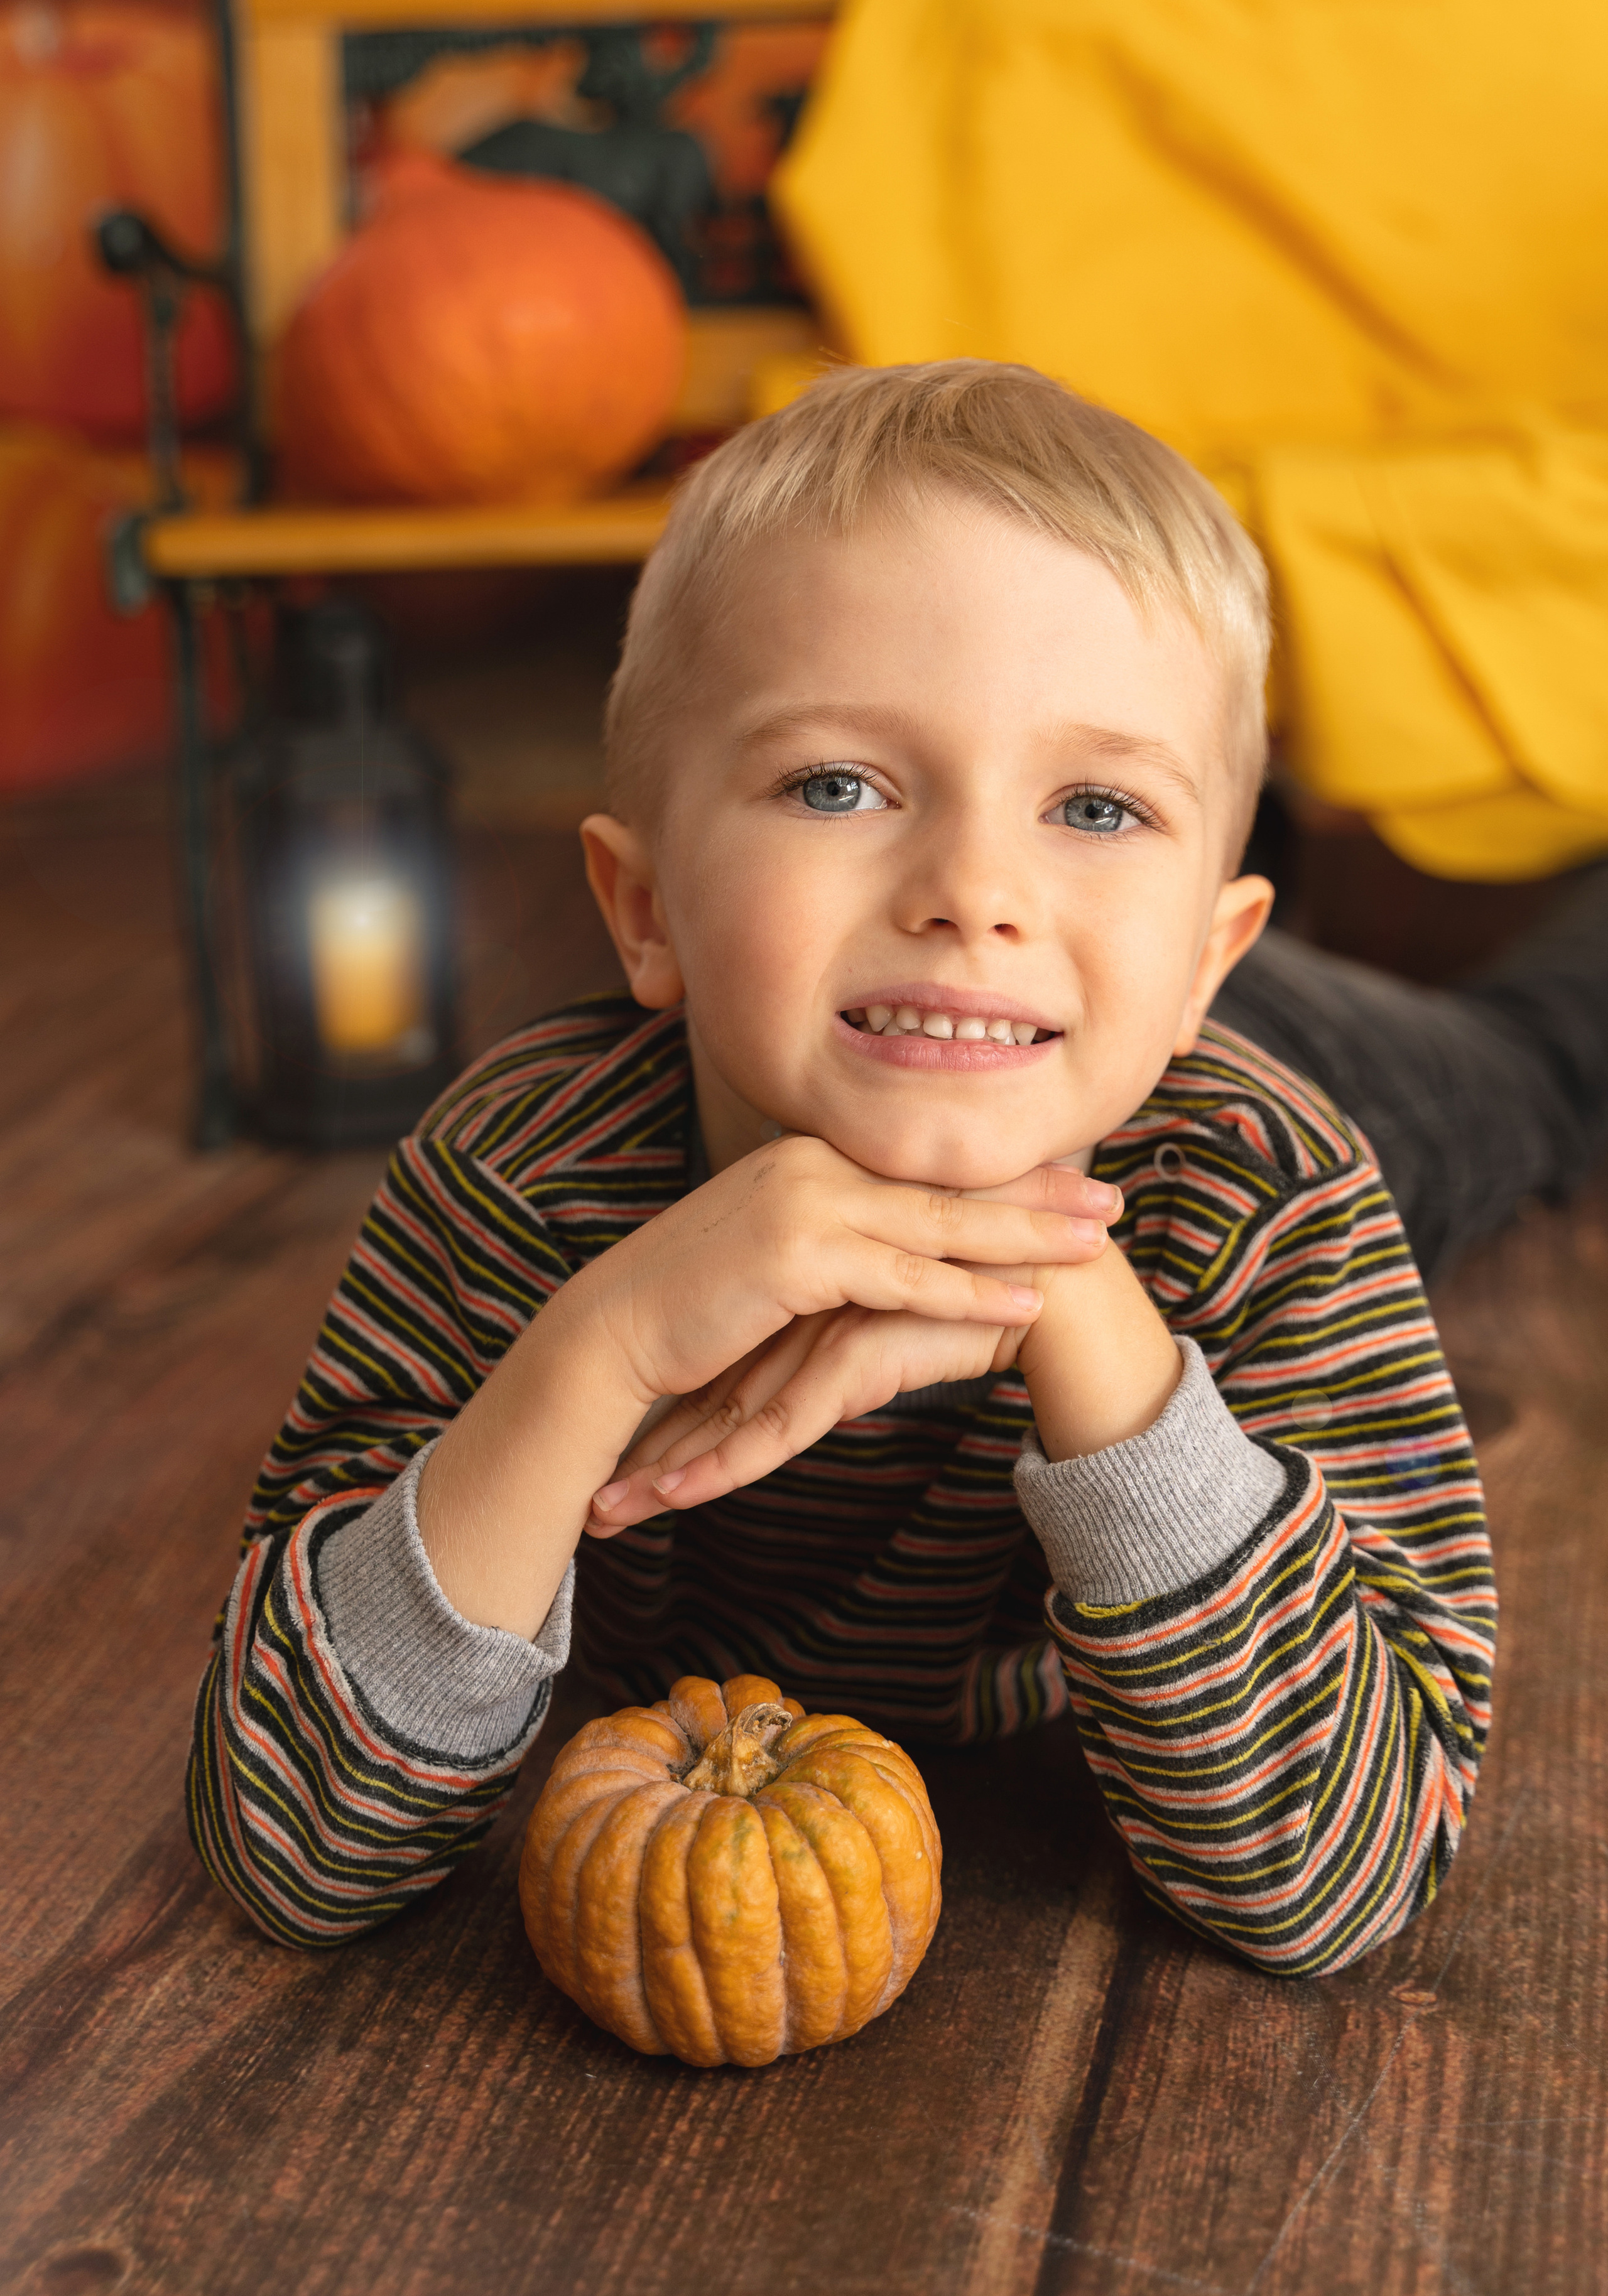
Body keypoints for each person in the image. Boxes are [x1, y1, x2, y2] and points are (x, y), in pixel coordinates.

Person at [192, 360, 1534, 1982]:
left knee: (1530, 1077)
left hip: (1286, 1077)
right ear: (645, 911)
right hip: (1020, 1027)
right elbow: (288, 1848)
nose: (975, 886)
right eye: (837, 786)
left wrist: (1074, 1311)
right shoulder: (516, 1180)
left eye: (1097, 806)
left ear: (1206, 955)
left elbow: (1343, 1879)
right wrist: (596, 1350)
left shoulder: (1275, 1196)